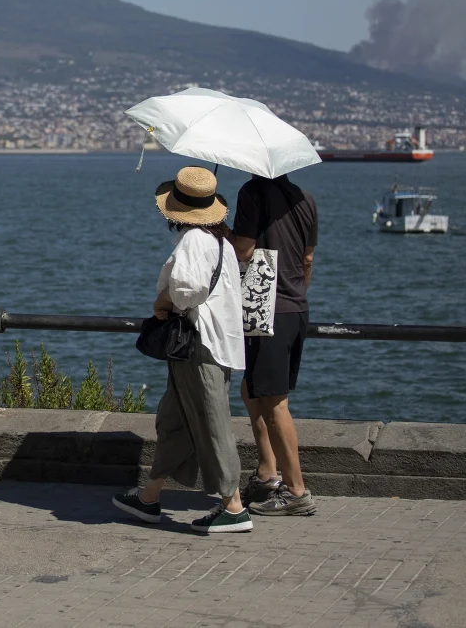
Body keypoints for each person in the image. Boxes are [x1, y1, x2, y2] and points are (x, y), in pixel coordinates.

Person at [113, 166, 251, 534]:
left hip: (199, 345)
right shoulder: (221, 241)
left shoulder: (194, 240)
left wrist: (164, 301)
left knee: (210, 423)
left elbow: (189, 291)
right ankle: (149, 497)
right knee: (176, 422)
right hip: (216, 344)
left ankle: (233, 507)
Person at [232, 172, 319, 516]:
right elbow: (307, 259)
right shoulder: (305, 197)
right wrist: (297, 294)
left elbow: (246, 249)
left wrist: (224, 235)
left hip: (266, 306)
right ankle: (268, 472)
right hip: (296, 308)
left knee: (274, 401)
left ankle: (296, 491)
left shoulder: (252, 192)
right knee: (251, 389)